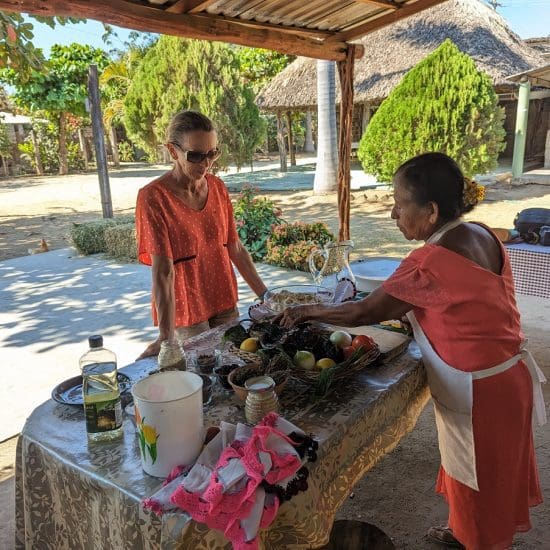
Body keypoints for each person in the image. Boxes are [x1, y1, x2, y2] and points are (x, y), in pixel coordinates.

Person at [278, 152, 546, 549]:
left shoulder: (429, 261)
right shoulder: (480, 233)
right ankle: (461, 533)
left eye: (400, 204)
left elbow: (365, 311)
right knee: (476, 473)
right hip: (507, 381)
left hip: (481, 394)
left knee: (480, 487)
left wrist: (306, 310)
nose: (392, 214)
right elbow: (468, 305)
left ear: (431, 210)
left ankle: (477, 540)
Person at [135, 110, 267, 358]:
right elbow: (163, 271)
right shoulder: (154, 197)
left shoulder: (217, 188)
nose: (206, 164)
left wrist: (267, 296)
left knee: (235, 364)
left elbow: (234, 248)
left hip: (223, 297)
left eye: (212, 154)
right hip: (187, 306)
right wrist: (166, 338)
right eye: (195, 155)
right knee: (203, 373)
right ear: (173, 151)